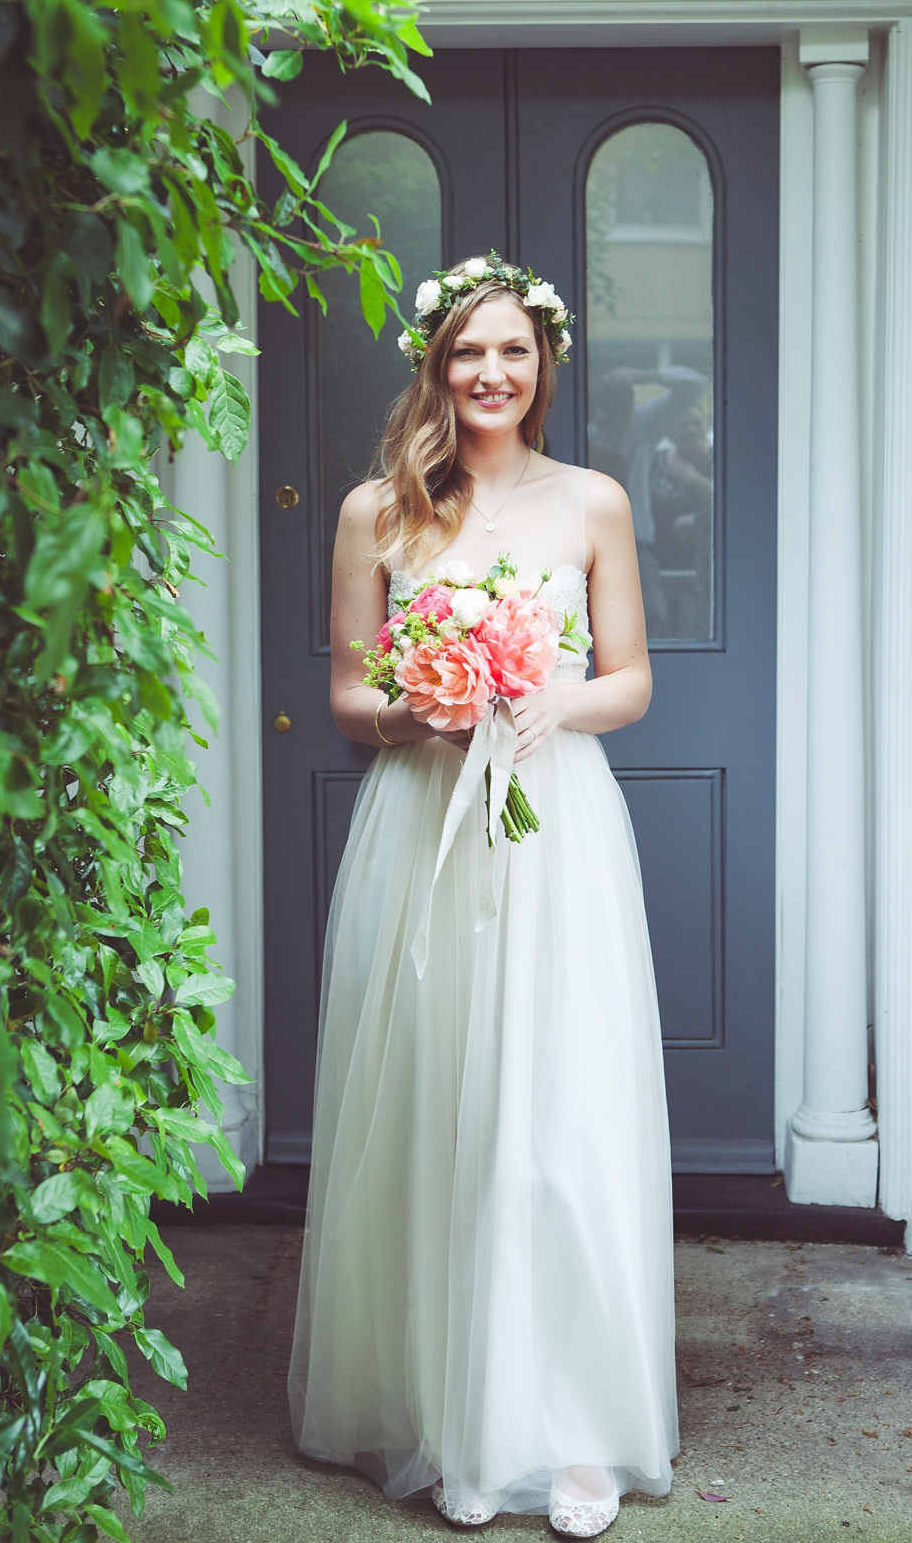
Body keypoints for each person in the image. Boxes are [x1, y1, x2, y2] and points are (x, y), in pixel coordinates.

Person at [287, 253, 679, 1536]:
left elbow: (630, 680)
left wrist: (536, 700)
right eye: (467, 352)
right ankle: (445, 1417)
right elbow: (351, 695)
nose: (490, 374)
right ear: (434, 367)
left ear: (545, 365)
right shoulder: (375, 514)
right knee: (439, 1109)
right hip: (424, 829)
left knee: (555, 1112)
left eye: (513, 351)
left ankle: (567, 1432)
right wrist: (426, 708)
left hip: (553, 820)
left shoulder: (595, 503)